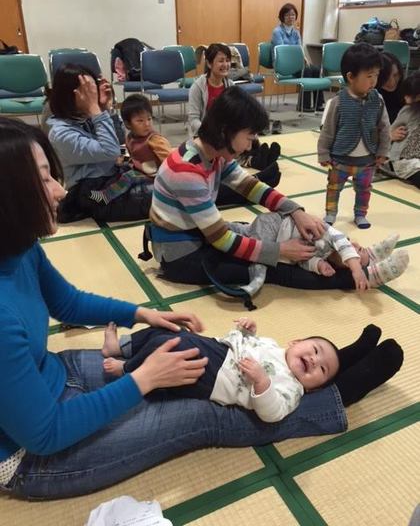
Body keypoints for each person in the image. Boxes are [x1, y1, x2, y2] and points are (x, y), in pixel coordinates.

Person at [0, 117, 405, 500]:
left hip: (49, 375)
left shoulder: (19, 247)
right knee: (208, 414)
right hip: (34, 454)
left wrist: (144, 314)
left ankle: (332, 359)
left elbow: (67, 302)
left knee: (188, 354)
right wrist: (144, 379)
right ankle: (337, 392)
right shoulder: (189, 166)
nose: (60, 190)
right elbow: (45, 433)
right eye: (44, 178)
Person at [149, 85, 378, 291]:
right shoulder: (187, 170)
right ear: (225, 131)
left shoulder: (213, 153)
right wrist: (280, 251)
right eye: (249, 137)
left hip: (196, 234)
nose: (251, 144)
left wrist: (296, 212)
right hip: (181, 254)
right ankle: (359, 276)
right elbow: (221, 240)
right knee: (273, 266)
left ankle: (353, 256)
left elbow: (251, 186)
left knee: (272, 236)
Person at [101, 318, 402, 423]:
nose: (313, 359)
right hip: (217, 350)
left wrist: (261, 382)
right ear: (295, 341)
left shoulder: (292, 388)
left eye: (320, 369)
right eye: (313, 349)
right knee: (165, 333)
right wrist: (250, 331)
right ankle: (122, 348)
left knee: (170, 346)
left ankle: (128, 371)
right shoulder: (275, 347)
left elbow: (273, 413)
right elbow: (252, 344)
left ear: (312, 388)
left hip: (214, 377)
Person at [47, 64, 153, 223]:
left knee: (169, 185)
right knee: (169, 196)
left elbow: (119, 143)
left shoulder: (84, 117)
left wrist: (105, 109)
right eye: (88, 91)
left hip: (114, 179)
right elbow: (110, 150)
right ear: (71, 95)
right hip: (95, 196)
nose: (93, 95)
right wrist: (96, 111)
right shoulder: (61, 134)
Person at [227, 212, 408, 291]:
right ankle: (370, 267)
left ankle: (372, 260)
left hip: (265, 235)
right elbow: (344, 246)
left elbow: (304, 260)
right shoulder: (333, 236)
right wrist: (356, 269)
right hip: (274, 225)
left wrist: (319, 266)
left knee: (240, 232)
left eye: (359, 253)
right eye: (359, 249)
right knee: (260, 262)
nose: (354, 250)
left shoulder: (324, 256)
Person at [318, 43, 391, 229]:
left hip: (367, 160)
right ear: (351, 77)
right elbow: (328, 130)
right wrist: (324, 153)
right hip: (340, 159)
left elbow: (384, 127)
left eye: (376, 75)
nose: (374, 81)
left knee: (364, 189)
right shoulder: (338, 102)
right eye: (369, 76)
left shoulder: (378, 100)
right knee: (333, 188)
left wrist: (383, 151)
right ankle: (331, 213)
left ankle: (360, 214)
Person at [88, 93, 172, 205]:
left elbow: (169, 160)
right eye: (140, 121)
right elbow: (127, 151)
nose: (147, 124)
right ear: (128, 124)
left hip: (153, 175)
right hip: (139, 170)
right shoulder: (130, 137)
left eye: (149, 119)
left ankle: (106, 196)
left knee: (129, 176)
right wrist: (121, 159)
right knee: (120, 170)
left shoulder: (155, 140)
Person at [271, 3, 324, 112]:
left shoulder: (296, 33)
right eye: (287, 15)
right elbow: (282, 52)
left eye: (293, 15)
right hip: (283, 65)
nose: (290, 17)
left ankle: (318, 104)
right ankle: (303, 105)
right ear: (282, 17)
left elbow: (299, 48)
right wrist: (297, 55)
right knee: (307, 72)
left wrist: (304, 57)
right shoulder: (277, 32)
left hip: (296, 63)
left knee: (316, 70)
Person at [188, 43, 234, 137]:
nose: (225, 64)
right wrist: (210, 133)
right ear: (209, 63)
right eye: (221, 61)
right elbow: (193, 120)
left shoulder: (231, 86)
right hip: (204, 135)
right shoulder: (197, 87)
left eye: (227, 60)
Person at [385, 72, 420, 189]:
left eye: (409, 95)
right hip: (406, 161)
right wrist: (390, 134)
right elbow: (389, 131)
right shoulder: (408, 111)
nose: (405, 98)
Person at [376, 51, 405, 126]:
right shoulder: (372, 95)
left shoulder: (406, 89)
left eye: (395, 75)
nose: (392, 82)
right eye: (386, 78)